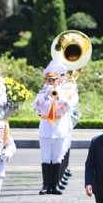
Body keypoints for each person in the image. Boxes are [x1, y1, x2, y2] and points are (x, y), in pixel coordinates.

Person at [33, 63, 73, 195]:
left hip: (59, 129)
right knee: (45, 158)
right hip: (45, 129)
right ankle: (46, 185)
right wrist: (46, 96)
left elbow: (68, 108)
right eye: (48, 80)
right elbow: (36, 107)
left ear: (58, 80)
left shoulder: (63, 94)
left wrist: (58, 97)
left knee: (56, 158)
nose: (51, 82)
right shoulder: (42, 94)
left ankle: (55, 185)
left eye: (53, 80)